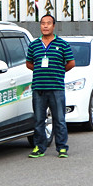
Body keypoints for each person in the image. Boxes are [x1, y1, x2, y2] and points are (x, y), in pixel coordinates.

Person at [26, 14, 75, 158]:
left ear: (54, 26)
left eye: (48, 23)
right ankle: (39, 147)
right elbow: (29, 63)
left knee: (59, 119)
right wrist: (41, 71)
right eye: (42, 23)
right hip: (39, 87)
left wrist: (59, 71)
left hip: (56, 87)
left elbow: (71, 63)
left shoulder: (63, 44)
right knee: (39, 120)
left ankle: (62, 148)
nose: (45, 26)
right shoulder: (34, 44)